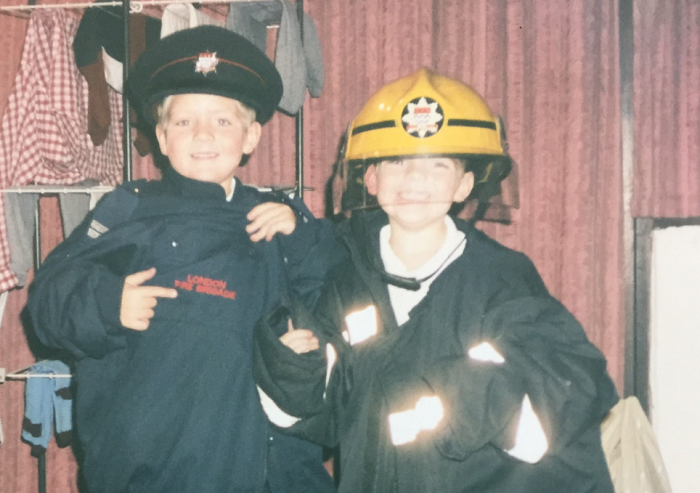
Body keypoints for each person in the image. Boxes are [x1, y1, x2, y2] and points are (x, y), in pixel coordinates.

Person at [253, 68, 619, 493]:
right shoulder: (346, 280)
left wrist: (469, 396)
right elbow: (332, 412)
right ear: (371, 179)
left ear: (465, 184)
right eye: (396, 161)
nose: (414, 180)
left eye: (438, 164)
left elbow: (566, 382)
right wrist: (298, 368)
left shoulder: (502, 277)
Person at [25, 26, 336, 493]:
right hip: (150, 468)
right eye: (184, 122)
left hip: (265, 466)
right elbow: (48, 302)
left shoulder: (279, 219)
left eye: (223, 121)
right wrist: (109, 304)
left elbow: (334, 299)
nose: (203, 135)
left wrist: (303, 238)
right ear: (162, 138)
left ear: (251, 137)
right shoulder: (127, 210)